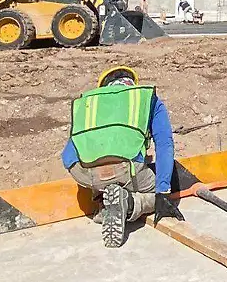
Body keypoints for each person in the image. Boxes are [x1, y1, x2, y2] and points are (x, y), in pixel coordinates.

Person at [61, 66, 183, 248]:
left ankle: (104, 203)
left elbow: (68, 155)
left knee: (98, 160)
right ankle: (130, 203)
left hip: (84, 173)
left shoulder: (90, 103)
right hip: (127, 170)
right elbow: (164, 145)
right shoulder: (144, 99)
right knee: (154, 194)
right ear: (132, 83)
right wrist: (163, 192)